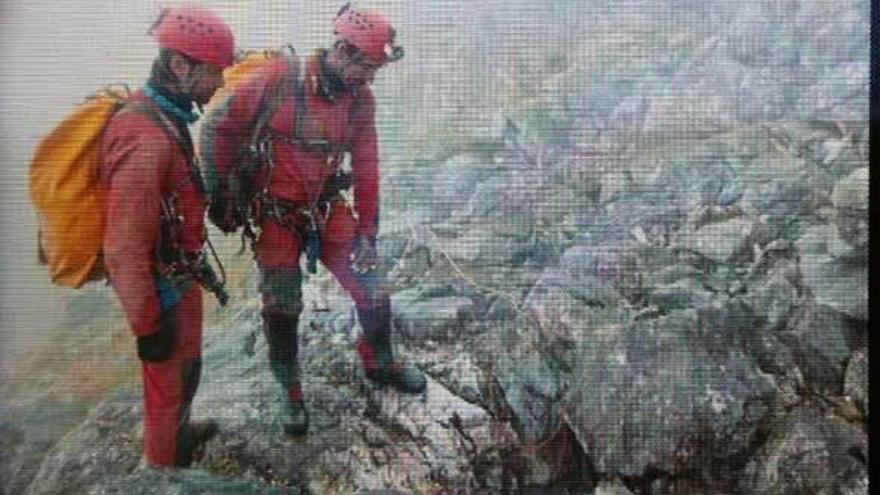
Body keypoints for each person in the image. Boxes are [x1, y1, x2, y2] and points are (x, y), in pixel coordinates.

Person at [201, 3, 425, 437]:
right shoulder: (279, 79)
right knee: (281, 306)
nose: (372, 77)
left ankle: (380, 360)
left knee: (373, 287)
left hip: (325, 207)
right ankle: (290, 388)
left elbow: (366, 164)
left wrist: (368, 233)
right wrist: (220, 195)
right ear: (342, 50)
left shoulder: (360, 102)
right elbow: (217, 128)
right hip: (276, 216)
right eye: (368, 66)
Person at [100, 6, 235, 467]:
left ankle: (182, 434)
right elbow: (122, 247)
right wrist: (147, 326)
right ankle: (164, 468)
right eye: (214, 73)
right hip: (162, 288)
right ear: (181, 66)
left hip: (181, 274)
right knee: (166, 383)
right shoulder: (146, 138)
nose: (219, 84)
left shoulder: (166, 116)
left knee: (188, 368)